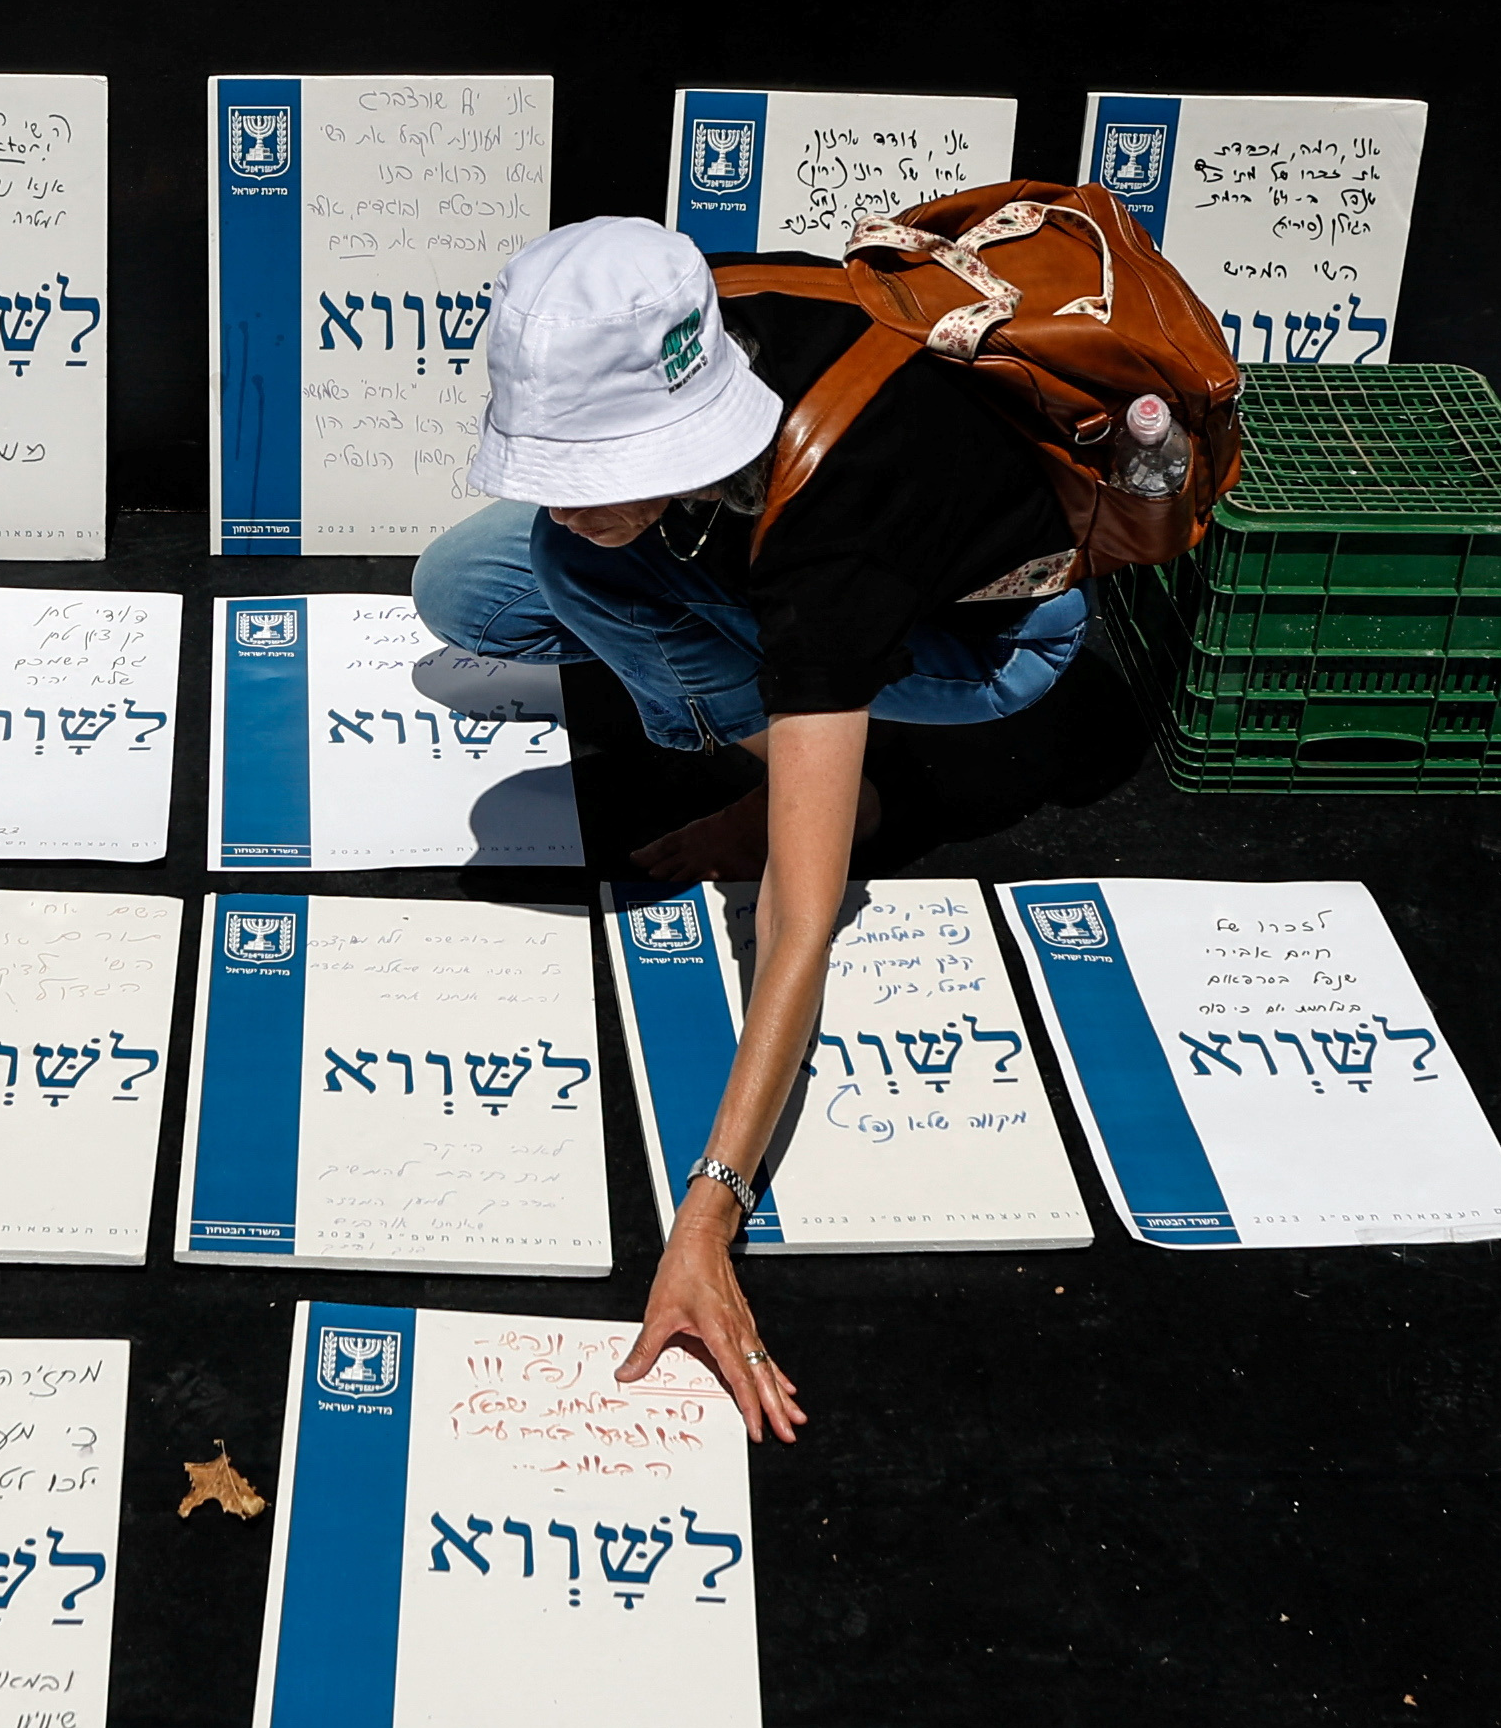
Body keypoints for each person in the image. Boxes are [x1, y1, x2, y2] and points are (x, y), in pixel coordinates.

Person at [414, 217, 1150, 1441]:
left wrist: (709, 1213)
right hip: (792, 525)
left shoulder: (834, 530)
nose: (560, 495)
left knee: (588, 572)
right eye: (545, 460)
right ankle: (753, 693)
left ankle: (817, 767)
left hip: (995, 643)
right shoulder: (682, 311)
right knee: (477, 586)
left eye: (590, 469)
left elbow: (803, 921)